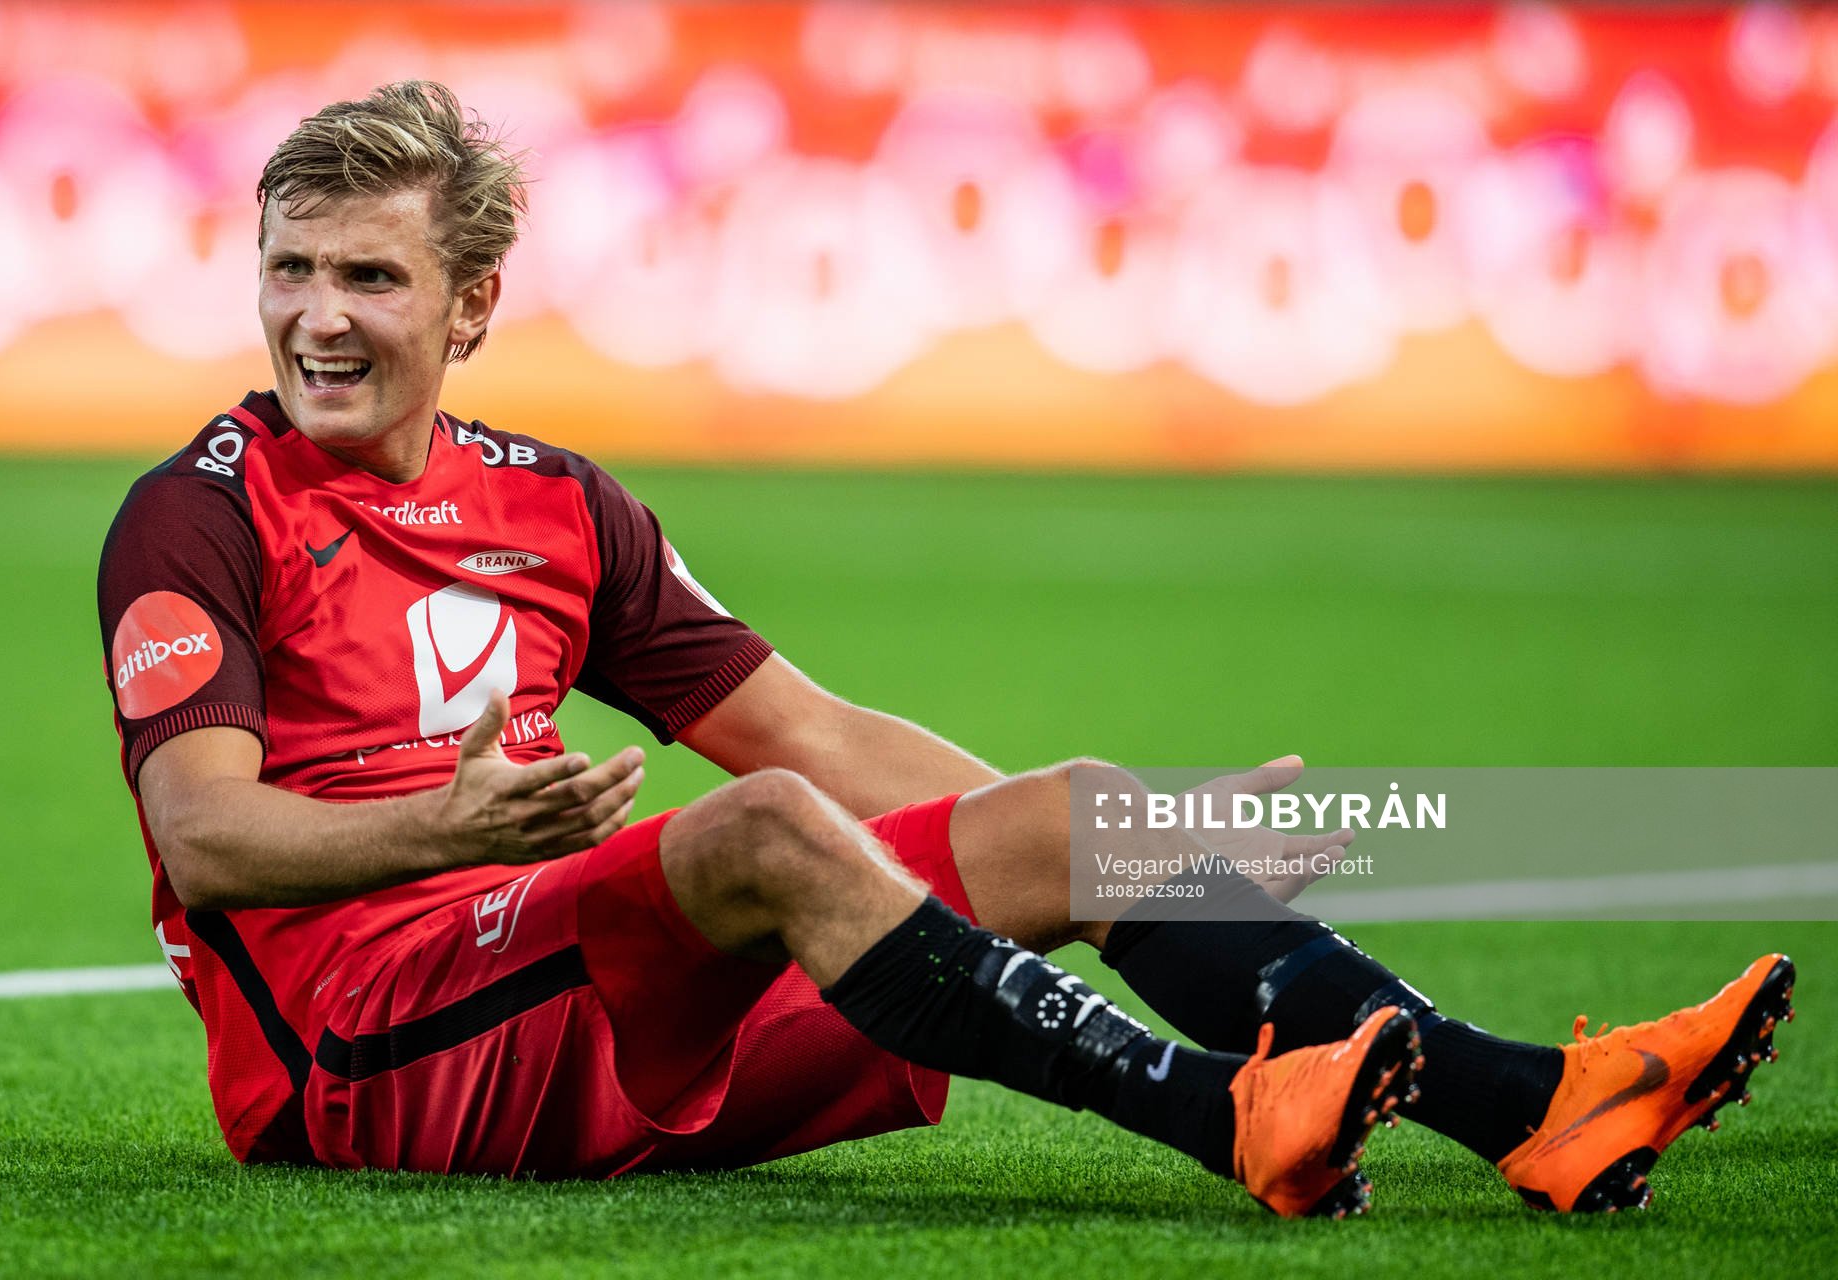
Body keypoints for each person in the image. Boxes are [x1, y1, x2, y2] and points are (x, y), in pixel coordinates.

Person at [98, 81, 1793, 1219]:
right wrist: (444, 834)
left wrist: (1133, 865)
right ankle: (1229, 1117)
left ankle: (1539, 1108)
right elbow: (205, 839)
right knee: (751, 842)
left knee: (1086, 812)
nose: (319, 316)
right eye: (291, 271)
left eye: (370, 278)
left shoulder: (557, 507)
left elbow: (817, 740)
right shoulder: (197, 516)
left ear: (469, 306)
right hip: (356, 1061)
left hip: (561, 986)